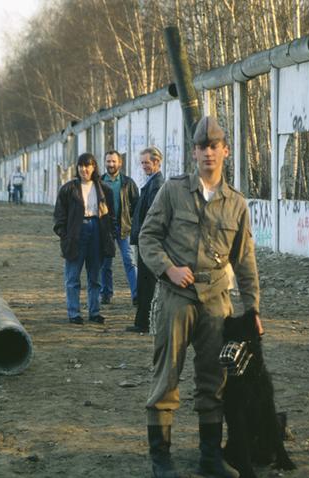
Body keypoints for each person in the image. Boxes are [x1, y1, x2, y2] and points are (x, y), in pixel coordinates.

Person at [138, 116, 262, 478]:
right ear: (193, 152)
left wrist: (253, 308)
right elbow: (147, 237)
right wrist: (168, 269)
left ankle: (210, 456)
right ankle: (161, 459)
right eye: (202, 146)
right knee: (166, 377)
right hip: (176, 297)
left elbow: (245, 259)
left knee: (215, 380)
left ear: (225, 151)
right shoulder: (173, 191)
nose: (208, 152)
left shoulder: (236, 203)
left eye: (214, 146)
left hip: (216, 301)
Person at [53, 153, 116, 325]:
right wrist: (64, 235)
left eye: (87, 166)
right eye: (81, 166)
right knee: (73, 276)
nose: (84, 169)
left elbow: (111, 216)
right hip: (76, 233)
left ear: (94, 167)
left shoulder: (104, 190)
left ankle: (94, 312)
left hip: (97, 232)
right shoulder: (68, 189)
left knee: (95, 276)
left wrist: (110, 234)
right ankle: (74, 313)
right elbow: (59, 215)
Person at [127, 146, 164, 333]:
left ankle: (144, 323)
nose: (144, 166)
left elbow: (152, 215)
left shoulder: (156, 184)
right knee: (144, 281)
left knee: (146, 282)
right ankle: (142, 321)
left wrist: (145, 237)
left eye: (147, 163)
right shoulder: (152, 182)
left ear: (157, 162)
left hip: (148, 241)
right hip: (146, 239)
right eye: (142, 163)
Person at [99, 150, 139, 306]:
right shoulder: (98, 182)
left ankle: (137, 295)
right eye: (108, 161)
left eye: (113, 161)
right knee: (105, 264)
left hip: (124, 228)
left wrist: (132, 223)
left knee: (130, 261)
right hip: (105, 229)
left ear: (120, 163)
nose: (111, 164)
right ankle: (105, 294)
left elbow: (136, 205)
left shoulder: (128, 183)